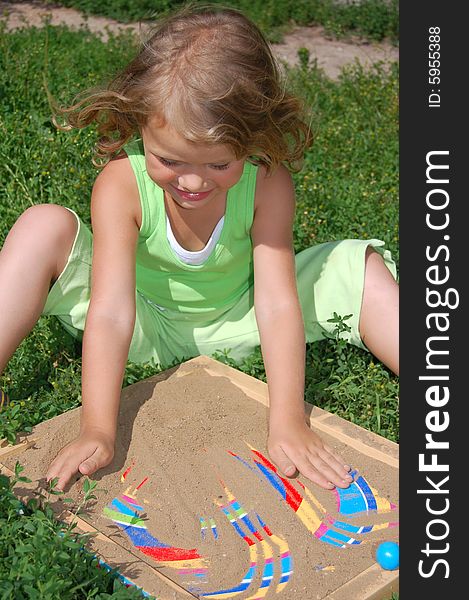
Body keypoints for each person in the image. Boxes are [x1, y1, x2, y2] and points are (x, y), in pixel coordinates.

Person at [0, 4, 398, 492]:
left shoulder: (268, 183)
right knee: (43, 225)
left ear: (253, 139)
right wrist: (98, 427)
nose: (191, 181)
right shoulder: (121, 185)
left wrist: (288, 418)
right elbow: (109, 311)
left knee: (358, 267)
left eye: (219, 166)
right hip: (143, 324)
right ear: (138, 123)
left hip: (239, 318)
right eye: (168, 159)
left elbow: (274, 303)